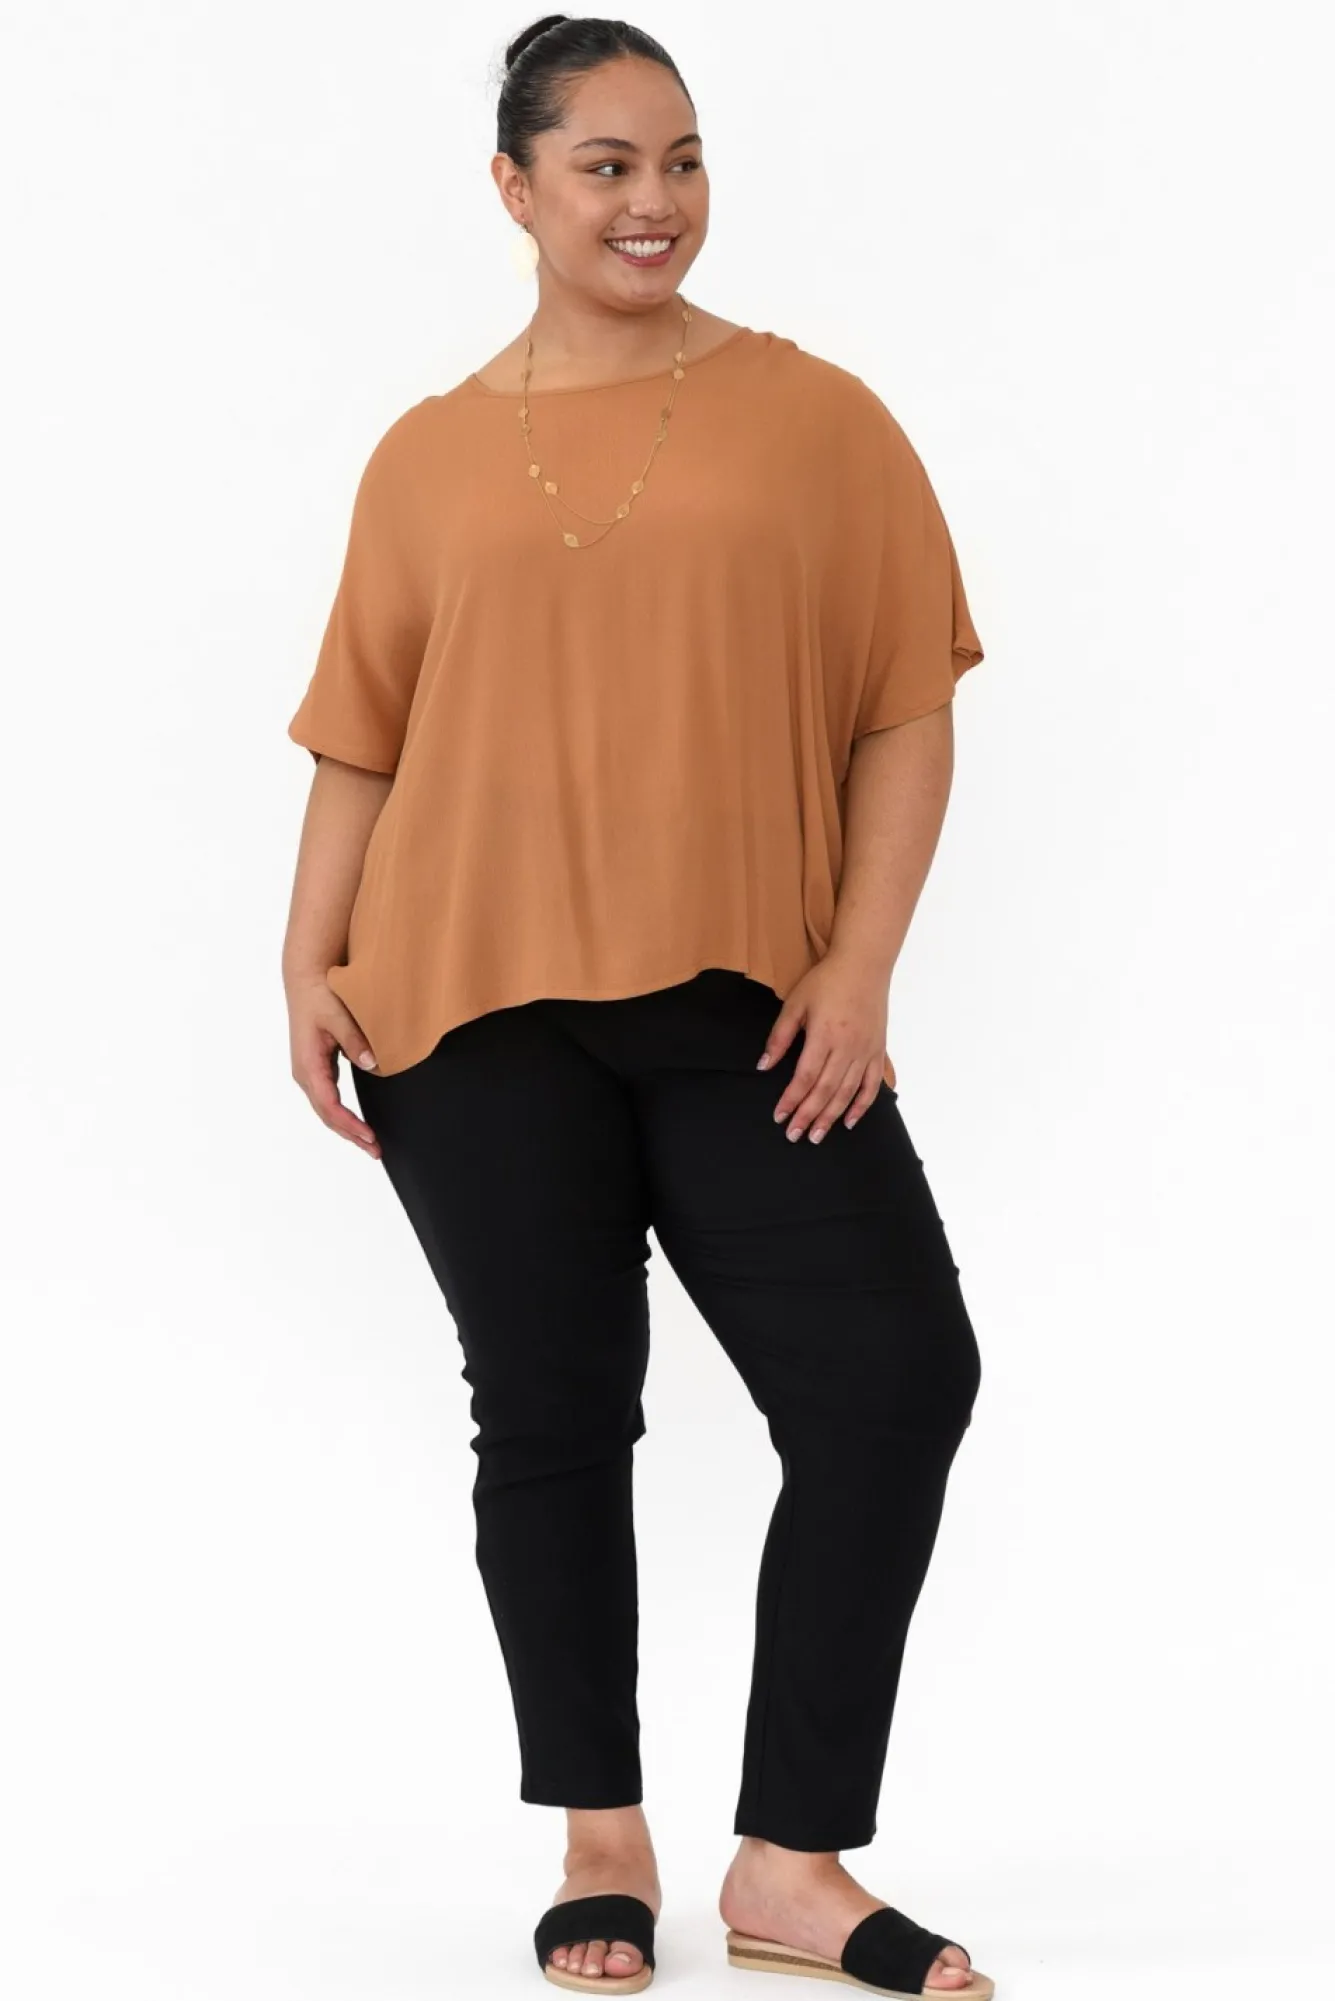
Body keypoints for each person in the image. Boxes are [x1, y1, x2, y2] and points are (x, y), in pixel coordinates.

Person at [281, 15, 995, 1999]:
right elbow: (362, 737)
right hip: (465, 1003)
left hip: (741, 999)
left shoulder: (816, 418)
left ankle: (791, 1861)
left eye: (679, 159)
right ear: (513, 188)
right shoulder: (426, 453)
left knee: (890, 1380)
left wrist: (859, 964)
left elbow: (904, 706)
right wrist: (303, 957)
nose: (652, 200)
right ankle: (601, 1837)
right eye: (604, 165)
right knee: (554, 1412)